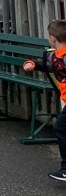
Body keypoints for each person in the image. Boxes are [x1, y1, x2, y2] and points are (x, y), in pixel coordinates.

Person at [22, 20, 66, 182]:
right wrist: (31, 64)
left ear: (53, 38)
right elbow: (47, 65)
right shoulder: (55, 56)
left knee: (61, 128)